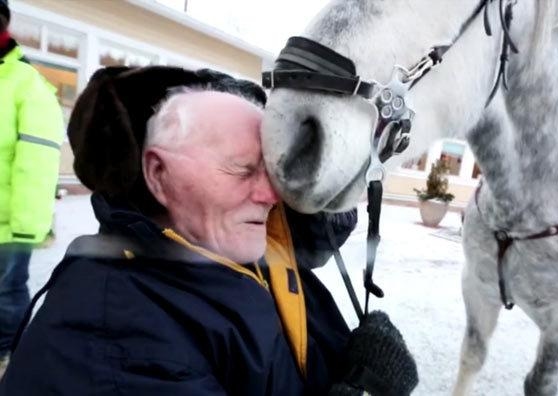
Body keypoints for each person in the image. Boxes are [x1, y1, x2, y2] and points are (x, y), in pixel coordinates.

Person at [0, 66, 417, 395]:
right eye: (242, 169)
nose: (273, 194)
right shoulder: (111, 338)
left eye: (272, 170)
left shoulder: (237, 251)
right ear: (158, 173)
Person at [0, 0, 64, 375]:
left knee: (7, 293)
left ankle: (9, 356)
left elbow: (37, 160)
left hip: (10, 222)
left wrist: (27, 225)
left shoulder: (27, 84)